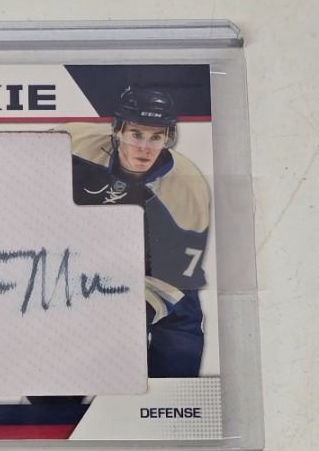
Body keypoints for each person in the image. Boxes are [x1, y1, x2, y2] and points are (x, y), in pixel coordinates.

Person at [69, 85, 214, 378]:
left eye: (156, 137)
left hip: (166, 285)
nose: (145, 148)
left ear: (168, 138)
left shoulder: (188, 190)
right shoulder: (73, 143)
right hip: (91, 264)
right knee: (53, 389)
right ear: (117, 130)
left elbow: (177, 277)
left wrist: (120, 320)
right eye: (136, 134)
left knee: (174, 381)